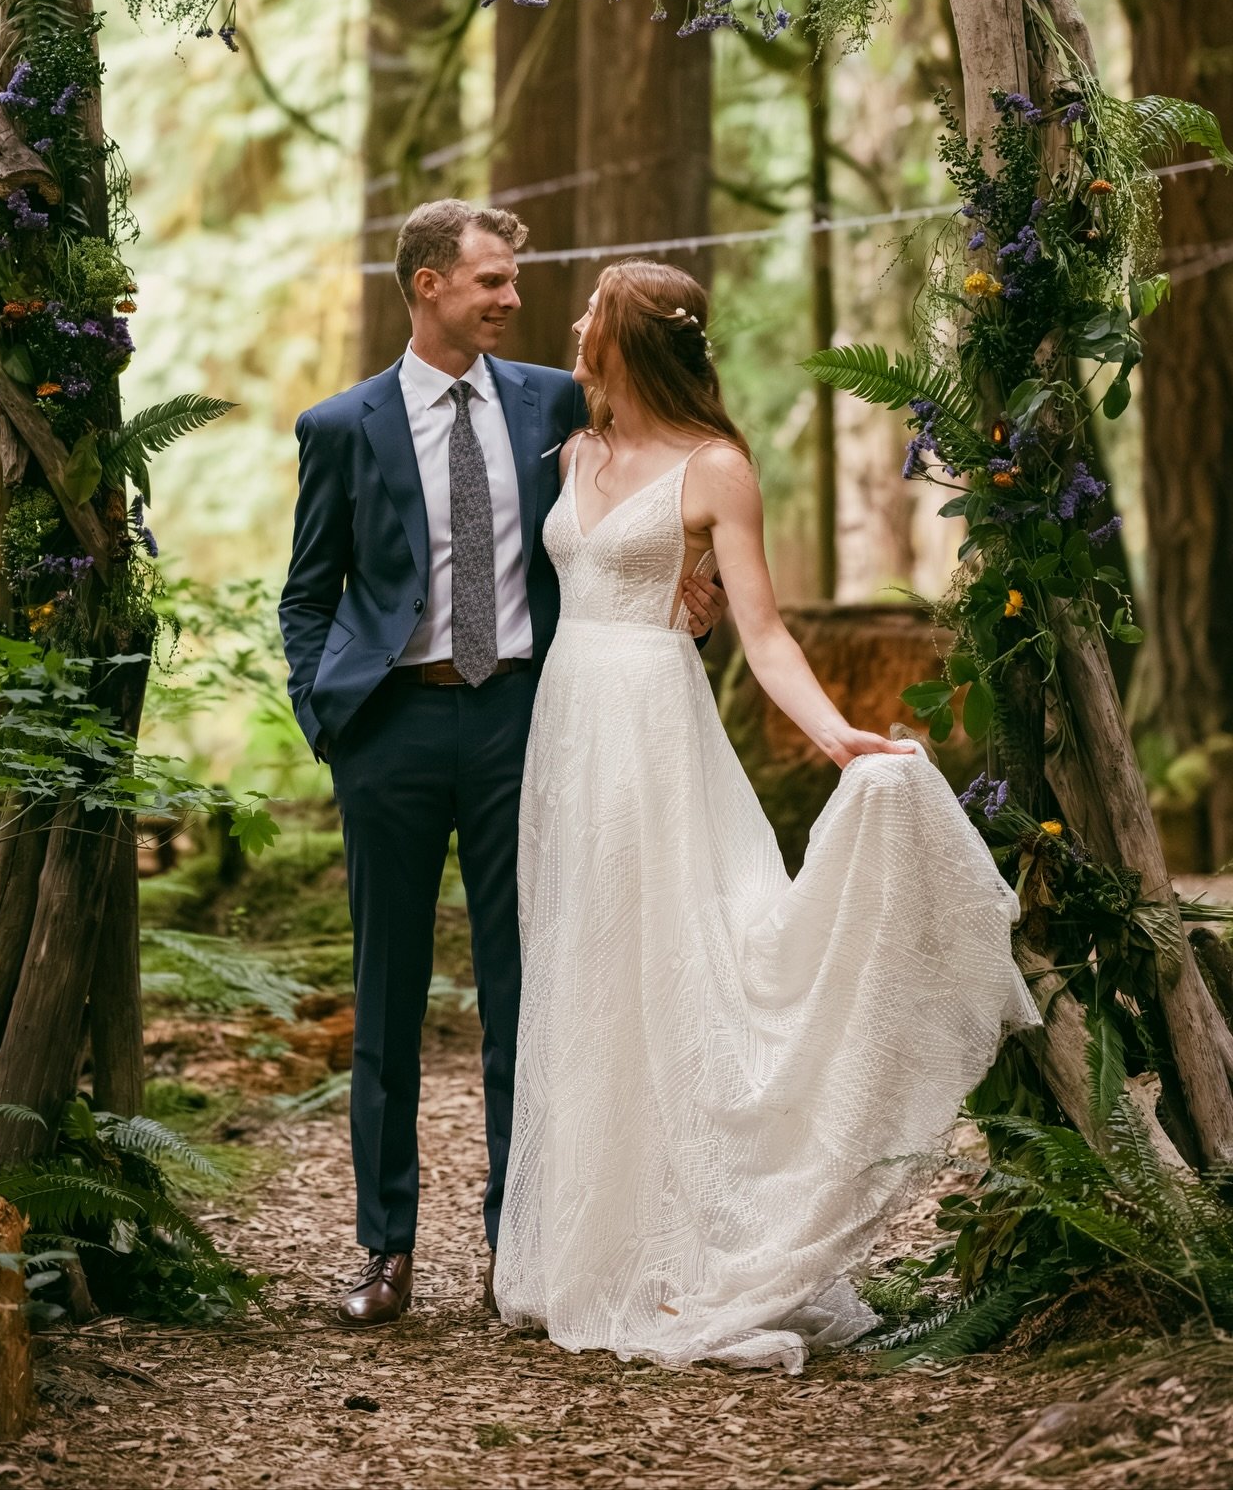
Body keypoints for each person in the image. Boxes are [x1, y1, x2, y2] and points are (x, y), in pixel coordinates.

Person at [493, 258, 1040, 1373]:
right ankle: (590, 1243)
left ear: (630, 340)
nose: (577, 322)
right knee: (585, 964)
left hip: (652, 724)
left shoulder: (717, 467)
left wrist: (837, 737)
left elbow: (765, 629)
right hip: (568, 723)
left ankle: (699, 1246)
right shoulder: (577, 450)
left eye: (594, 312)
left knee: (676, 958)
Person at [278, 204, 722, 1328]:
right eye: (490, 281)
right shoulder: (340, 427)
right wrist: (328, 720)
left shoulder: (554, 403)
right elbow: (308, 592)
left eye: (514, 280)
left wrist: (693, 582)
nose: (512, 298)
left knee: (528, 991)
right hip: (389, 729)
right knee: (386, 995)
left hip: (527, 722)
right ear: (427, 284)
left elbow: (651, 485)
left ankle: (515, 1247)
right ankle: (385, 1250)